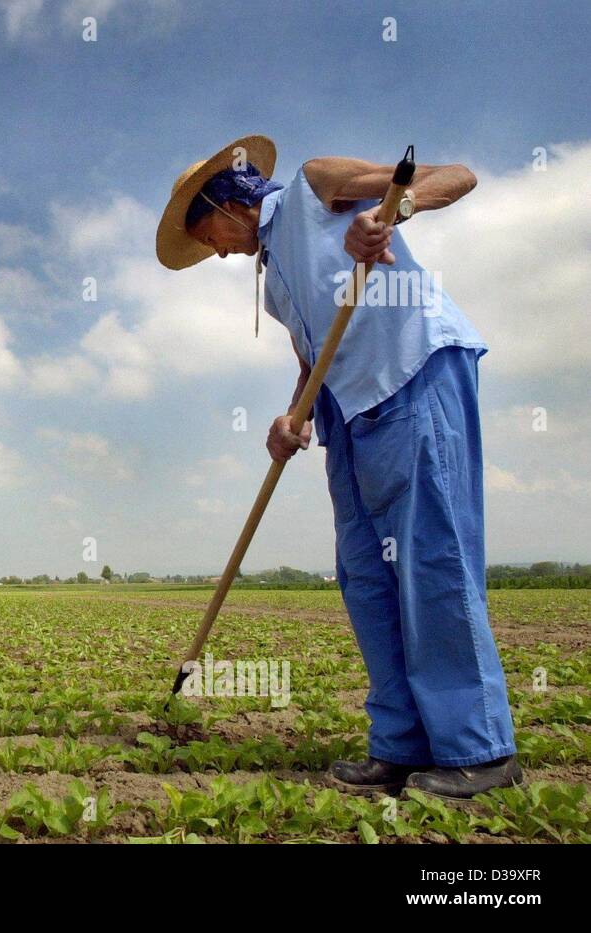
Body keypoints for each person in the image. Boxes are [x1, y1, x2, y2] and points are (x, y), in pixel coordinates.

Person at [155, 135, 519, 799]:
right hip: (346, 416)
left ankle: (479, 748)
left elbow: (456, 176)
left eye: (203, 232)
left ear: (224, 203)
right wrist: (291, 416)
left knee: (430, 561)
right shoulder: (272, 291)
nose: (210, 249)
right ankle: (401, 745)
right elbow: (312, 357)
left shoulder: (316, 184)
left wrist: (390, 214)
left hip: (410, 372)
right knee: (364, 578)